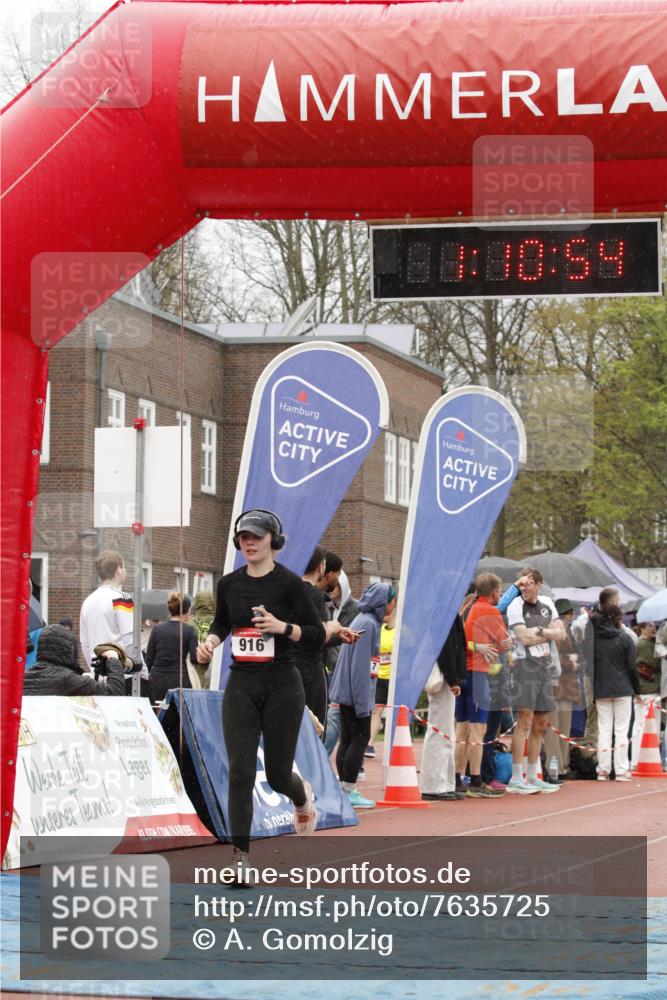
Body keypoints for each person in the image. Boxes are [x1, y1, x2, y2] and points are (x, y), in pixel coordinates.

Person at [195, 509, 355, 878]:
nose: (249, 543)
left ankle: (301, 797)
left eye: (256, 536)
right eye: (243, 538)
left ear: (274, 542)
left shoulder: (291, 585)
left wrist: (283, 627)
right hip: (242, 684)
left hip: (283, 682)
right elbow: (223, 622)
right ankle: (240, 860)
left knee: (279, 774)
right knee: (240, 772)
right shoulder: (230, 584)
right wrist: (210, 642)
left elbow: (317, 634)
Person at [329, 582, 397, 809]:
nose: (394, 604)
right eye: (392, 600)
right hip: (355, 693)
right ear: (383, 602)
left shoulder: (363, 620)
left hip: (347, 691)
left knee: (348, 739)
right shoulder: (369, 625)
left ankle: (345, 787)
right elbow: (361, 667)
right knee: (358, 738)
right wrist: (362, 702)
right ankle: (349, 788)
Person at [506, 567, 565, 794]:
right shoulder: (515, 606)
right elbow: (524, 637)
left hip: (545, 666)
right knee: (525, 720)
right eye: (522, 584)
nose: (525, 588)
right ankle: (515, 777)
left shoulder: (548, 603)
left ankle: (533, 775)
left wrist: (539, 631)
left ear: (539, 584)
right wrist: (546, 631)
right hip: (524, 667)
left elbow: (561, 633)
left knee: (541, 724)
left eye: (529, 583)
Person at [456, 573, 510, 797]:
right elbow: (504, 642)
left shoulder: (466, 609)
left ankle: (458, 778)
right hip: (479, 674)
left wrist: (475, 645)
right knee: (478, 730)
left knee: (462, 729)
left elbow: (462, 640)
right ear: (495, 593)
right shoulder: (490, 611)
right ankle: (476, 779)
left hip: (462, 674)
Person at [420, 611, 468, 801]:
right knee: (440, 730)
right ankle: (433, 784)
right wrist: (453, 678)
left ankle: (445, 782)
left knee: (447, 732)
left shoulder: (447, 611)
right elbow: (446, 648)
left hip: (447, 677)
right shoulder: (444, 613)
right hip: (443, 678)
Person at [591, 602, 638, 780]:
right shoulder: (625, 638)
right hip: (623, 687)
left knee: (604, 729)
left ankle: (603, 769)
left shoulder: (595, 639)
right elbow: (632, 666)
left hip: (602, 688)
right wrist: (636, 689)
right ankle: (620, 770)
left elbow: (590, 665)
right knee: (621, 730)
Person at [23, 624, 128, 696]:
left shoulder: (23, 678)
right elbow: (114, 693)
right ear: (69, 650)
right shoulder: (68, 680)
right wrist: (113, 658)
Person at [292, 545, 330, 726]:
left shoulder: (288, 591)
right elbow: (319, 635)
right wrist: (335, 629)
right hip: (310, 668)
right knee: (315, 728)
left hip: (287, 667)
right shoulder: (315, 595)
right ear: (321, 567)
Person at [543, 598, 581, 779]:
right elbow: (553, 658)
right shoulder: (557, 631)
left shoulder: (566, 631)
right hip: (558, 685)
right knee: (556, 729)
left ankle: (560, 767)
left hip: (564, 686)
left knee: (560, 730)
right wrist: (572, 664)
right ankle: (556, 767)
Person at [323, 571, 359, 755]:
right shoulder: (326, 607)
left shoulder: (356, 609)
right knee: (331, 719)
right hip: (329, 671)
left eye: (335, 585)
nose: (331, 590)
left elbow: (355, 638)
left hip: (346, 672)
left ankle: (329, 760)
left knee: (338, 720)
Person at [79, 550, 134, 670]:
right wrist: (140, 670)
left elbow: (85, 643)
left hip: (98, 673)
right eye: (124, 567)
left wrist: (93, 668)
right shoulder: (122, 598)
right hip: (121, 674)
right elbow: (129, 641)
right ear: (119, 569)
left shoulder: (88, 601)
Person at [145, 592, 198, 703]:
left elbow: (149, 660)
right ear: (186, 610)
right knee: (178, 717)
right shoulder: (189, 630)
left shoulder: (157, 629)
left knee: (157, 716)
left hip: (157, 681)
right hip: (179, 680)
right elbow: (195, 659)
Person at [366, 603, 396, 759]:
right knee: (376, 711)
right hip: (381, 677)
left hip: (395, 679)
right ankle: (370, 745)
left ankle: (395, 746)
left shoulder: (402, 633)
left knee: (395, 712)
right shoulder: (380, 630)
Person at [631, 620, 662, 766]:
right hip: (648, 689)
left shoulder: (644, 643)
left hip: (645, 689)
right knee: (647, 726)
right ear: (642, 628)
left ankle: (637, 760)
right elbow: (654, 664)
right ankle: (641, 761)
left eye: (654, 626)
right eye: (650, 626)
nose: (653, 628)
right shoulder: (643, 644)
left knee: (641, 725)